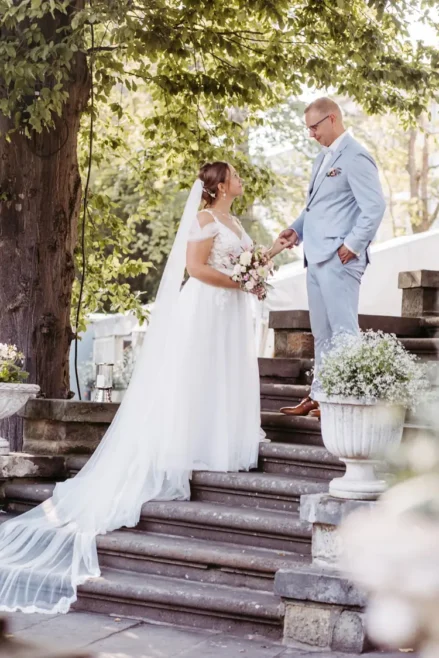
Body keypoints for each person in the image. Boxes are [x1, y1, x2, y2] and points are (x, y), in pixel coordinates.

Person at [0, 162, 288, 615]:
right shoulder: (204, 219)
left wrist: (271, 252)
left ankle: (218, 440)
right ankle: (189, 442)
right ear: (218, 186)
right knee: (199, 376)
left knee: (224, 375)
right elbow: (196, 268)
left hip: (231, 309)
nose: (240, 179)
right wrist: (241, 282)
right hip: (208, 308)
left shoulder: (233, 221)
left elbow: (245, 264)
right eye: (234, 175)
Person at [278, 97, 386, 419]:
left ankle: (345, 400)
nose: (311, 134)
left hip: (340, 258)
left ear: (332, 119)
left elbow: (374, 207)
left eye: (314, 127)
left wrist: (352, 245)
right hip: (314, 257)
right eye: (308, 128)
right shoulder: (320, 159)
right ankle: (320, 397)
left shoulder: (356, 156)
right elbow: (315, 208)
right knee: (322, 334)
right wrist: (295, 231)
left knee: (344, 332)